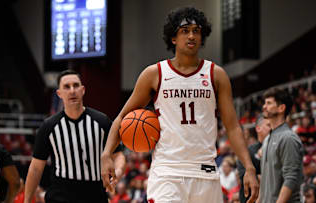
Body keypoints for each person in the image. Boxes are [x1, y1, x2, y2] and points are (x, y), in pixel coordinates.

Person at [101, 6, 259, 203]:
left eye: (196, 31)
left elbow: (233, 126)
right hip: (168, 172)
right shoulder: (154, 74)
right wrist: (107, 154)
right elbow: (122, 117)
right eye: (185, 31)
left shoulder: (216, 74)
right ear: (173, 38)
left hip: (206, 173)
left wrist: (249, 167)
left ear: (202, 37)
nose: (191, 36)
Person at [24, 69, 126, 203]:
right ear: (59, 94)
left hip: (95, 195)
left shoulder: (102, 121)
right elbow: (36, 167)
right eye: (67, 87)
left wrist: (118, 172)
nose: (72, 90)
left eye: (76, 85)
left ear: (83, 90)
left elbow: (118, 155)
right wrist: (27, 201)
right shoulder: (48, 126)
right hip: (60, 196)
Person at [260, 88, 303, 203]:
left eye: (269, 103)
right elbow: (265, 181)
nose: (264, 106)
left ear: (281, 108)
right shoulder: (267, 139)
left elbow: (291, 178)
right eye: (265, 103)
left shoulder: (288, 138)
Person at [237, 116, 271, 203]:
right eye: (268, 125)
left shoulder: (277, 150)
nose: (272, 128)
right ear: (258, 128)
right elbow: (245, 177)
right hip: (249, 199)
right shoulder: (247, 151)